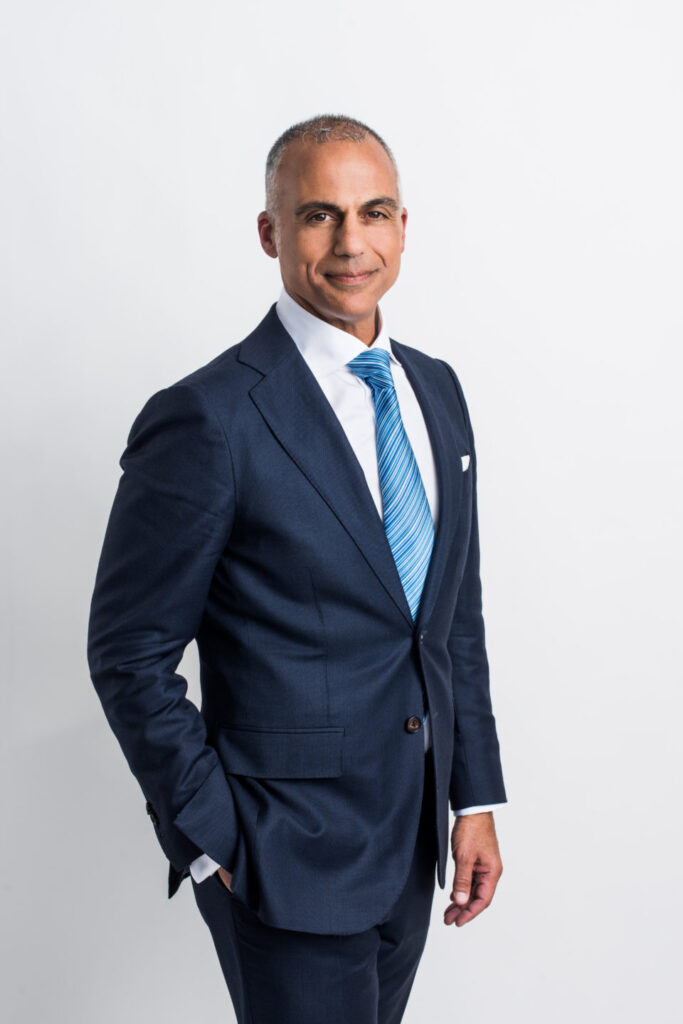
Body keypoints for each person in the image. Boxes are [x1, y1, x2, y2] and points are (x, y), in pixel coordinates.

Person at [87, 113, 507, 1024]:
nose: (351, 243)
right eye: (319, 215)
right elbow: (127, 653)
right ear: (269, 232)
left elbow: (449, 621)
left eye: (373, 212)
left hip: (412, 844)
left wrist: (472, 798)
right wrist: (215, 838)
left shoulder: (436, 389)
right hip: (279, 860)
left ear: (403, 226)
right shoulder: (209, 417)